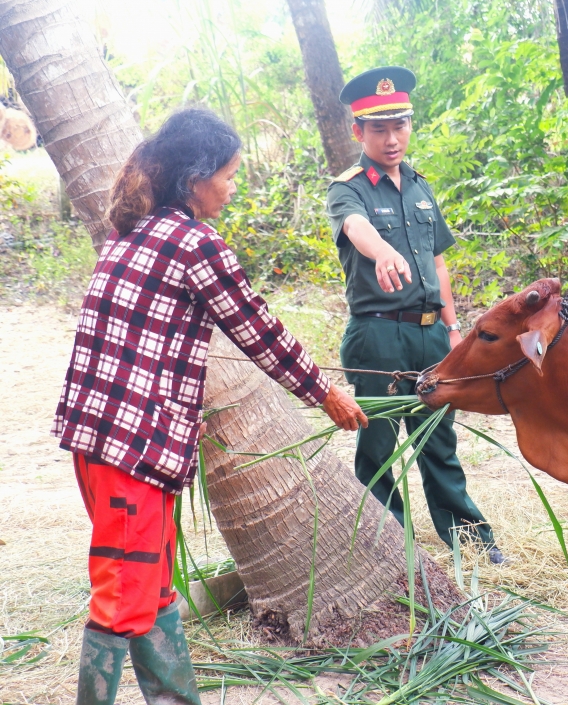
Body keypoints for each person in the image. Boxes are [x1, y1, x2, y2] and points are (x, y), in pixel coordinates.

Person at [53, 108, 367, 705]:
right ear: (194, 179)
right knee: (123, 594)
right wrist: (324, 393)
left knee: (149, 586)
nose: (230, 186)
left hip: (98, 441)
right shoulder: (193, 242)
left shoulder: (135, 233)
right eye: (226, 174)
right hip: (135, 447)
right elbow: (258, 329)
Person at [326, 66, 502, 564]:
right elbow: (356, 226)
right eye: (378, 128)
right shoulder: (349, 188)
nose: (391, 138)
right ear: (358, 132)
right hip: (378, 338)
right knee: (378, 449)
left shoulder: (422, 188)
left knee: (438, 440)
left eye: (399, 125)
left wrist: (451, 328)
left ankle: (468, 540)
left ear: (410, 125)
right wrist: (381, 251)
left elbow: (439, 261)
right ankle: (388, 550)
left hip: (429, 337)